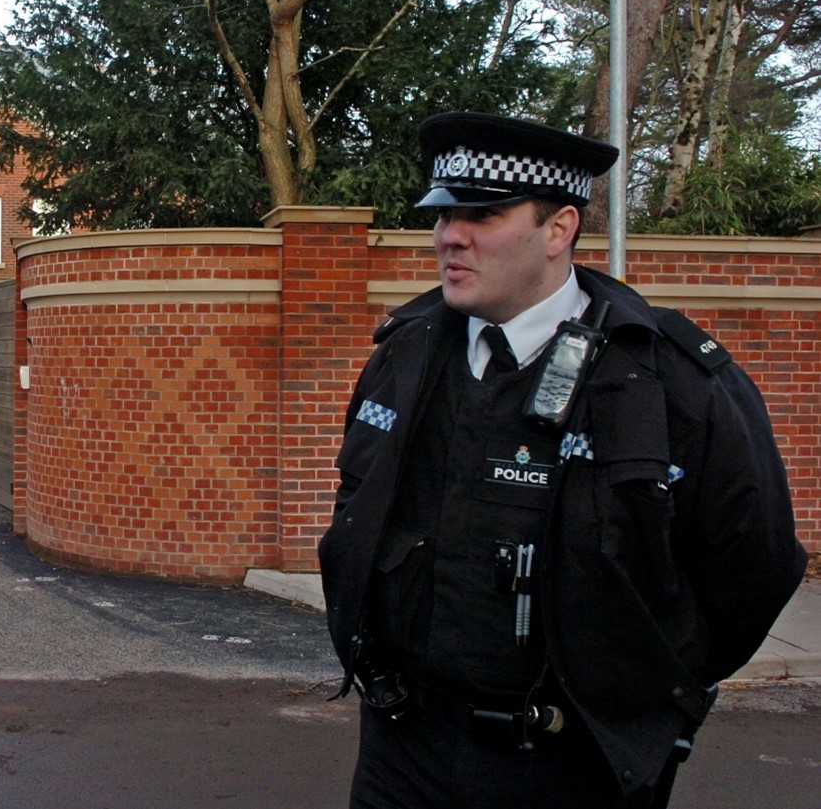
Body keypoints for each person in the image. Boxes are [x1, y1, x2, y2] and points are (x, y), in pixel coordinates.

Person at [318, 111, 807, 809]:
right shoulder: (404, 352)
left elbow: (752, 566)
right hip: (404, 750)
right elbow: (357, 503)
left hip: (571, 765)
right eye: (443, 213)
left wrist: (641, 692)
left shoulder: (667, 381)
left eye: (481, 213)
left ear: (559, 228)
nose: (448, 235)